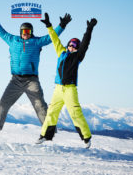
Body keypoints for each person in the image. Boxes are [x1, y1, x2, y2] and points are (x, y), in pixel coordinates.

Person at [0, 11, 71, 133]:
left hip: (31, 80)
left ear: (31, 32)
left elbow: (51, 37)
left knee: (40, 106)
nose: (26, 34)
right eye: (24, 32)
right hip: (15, 80)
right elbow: (2, 33)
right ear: (21, 32)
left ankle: (49, 131)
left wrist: (62, 26)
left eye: (29, 32)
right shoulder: (13, 40)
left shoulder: (36, 42)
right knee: (4, 103)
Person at [36, 13, 97, 149]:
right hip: (58, 89)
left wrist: (89, 29)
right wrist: (49, 26)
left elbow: (85, 44)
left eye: (74, 46)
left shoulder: (78, 56)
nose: (71, 47)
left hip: (70, 89)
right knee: (51, 112)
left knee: (75, 113)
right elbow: (55, 39)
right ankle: (45, 135)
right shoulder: (61, 52)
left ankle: (86, 138)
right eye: (70, 45)